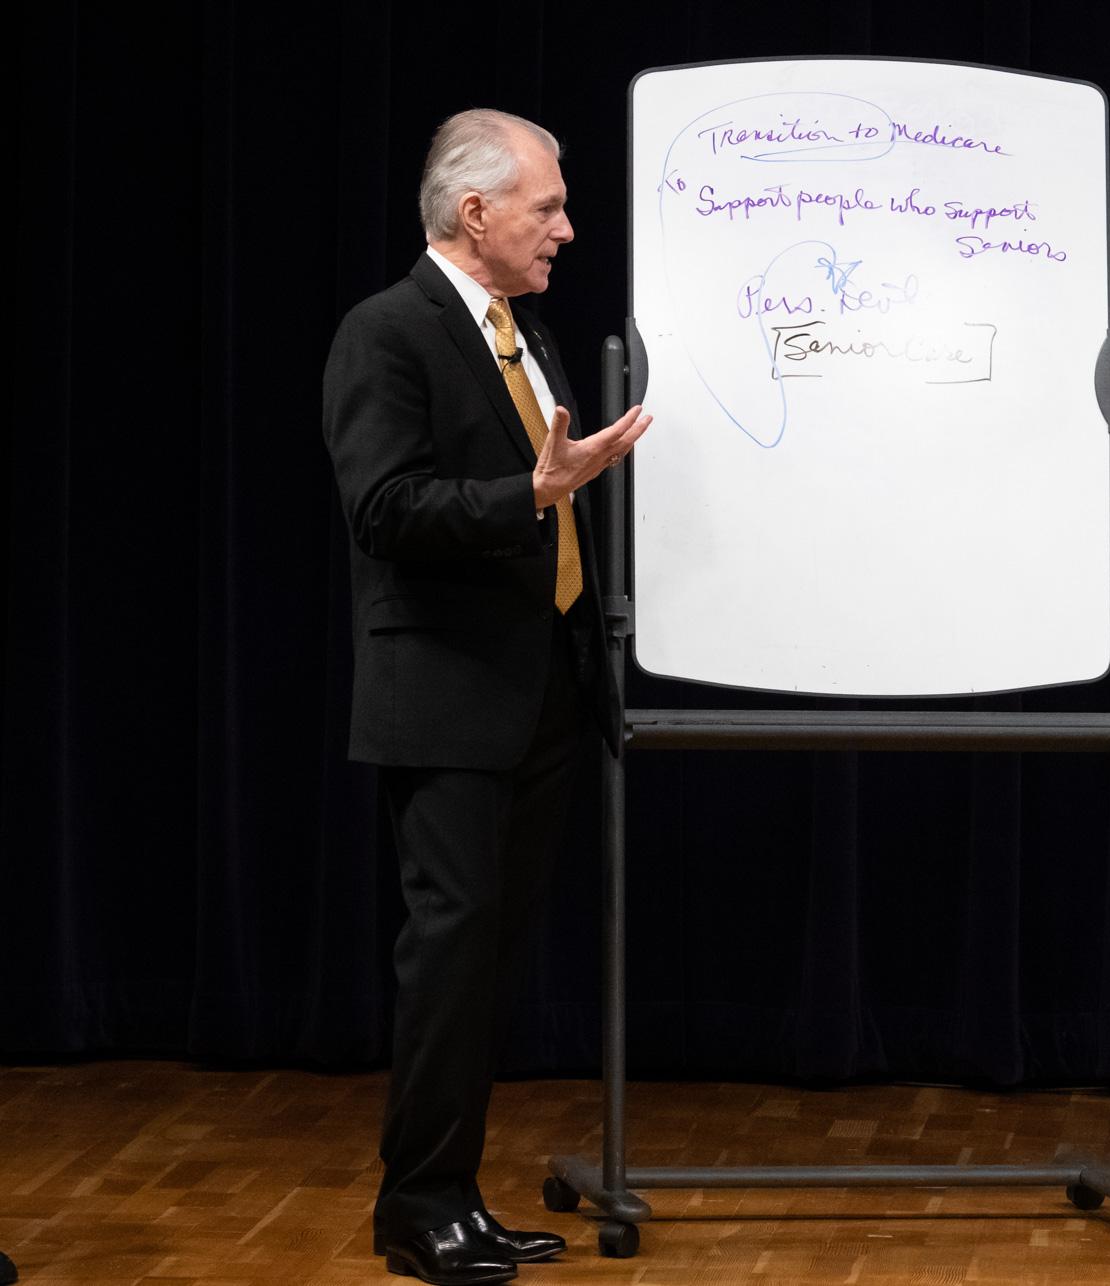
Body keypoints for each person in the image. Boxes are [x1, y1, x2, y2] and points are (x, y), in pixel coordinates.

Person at [323, 109, 650, 1285]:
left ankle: (455, 1193)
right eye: (548, 207)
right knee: (449, 963)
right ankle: (417, 1204)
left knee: (490, 967)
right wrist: (532, 490)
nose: (567, 227)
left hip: (542, 698)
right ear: (477, 213)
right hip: (447, 701)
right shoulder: (388, 333)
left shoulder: (527, 336)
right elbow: (386, 509)